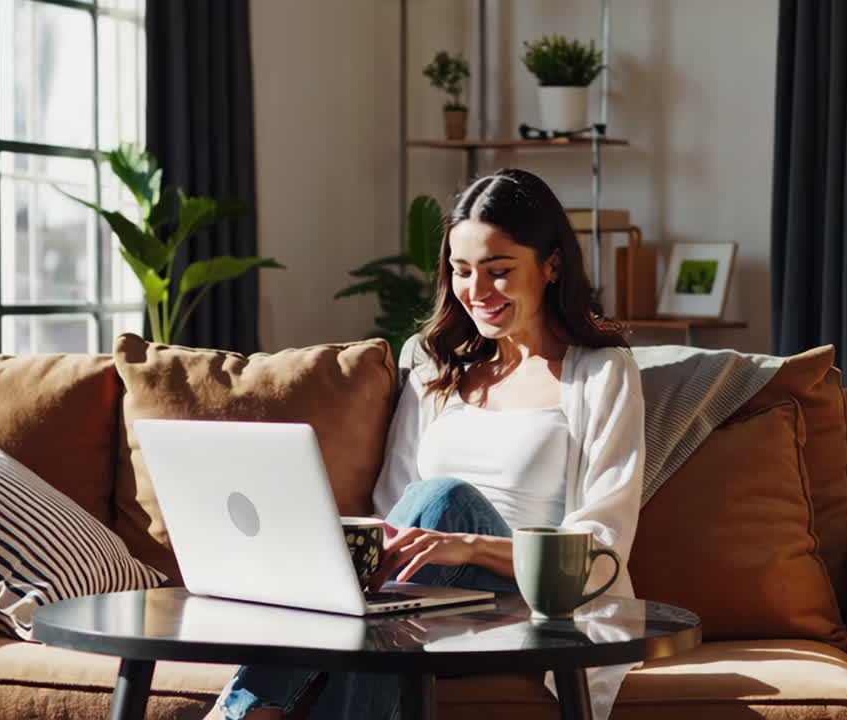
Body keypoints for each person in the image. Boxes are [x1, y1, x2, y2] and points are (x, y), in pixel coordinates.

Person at [209, 168, 646, 720]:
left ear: (552, 264)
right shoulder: (435, 363)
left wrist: (466, 546)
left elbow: (601, 545)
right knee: (396, 533)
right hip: (426, 600)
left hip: (531, 604)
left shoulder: (602, 373)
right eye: (462, 272)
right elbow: (394, 511)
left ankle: (241, 713)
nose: (477, 292)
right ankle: (253, 710)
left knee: (443, 498)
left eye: (499, 271)